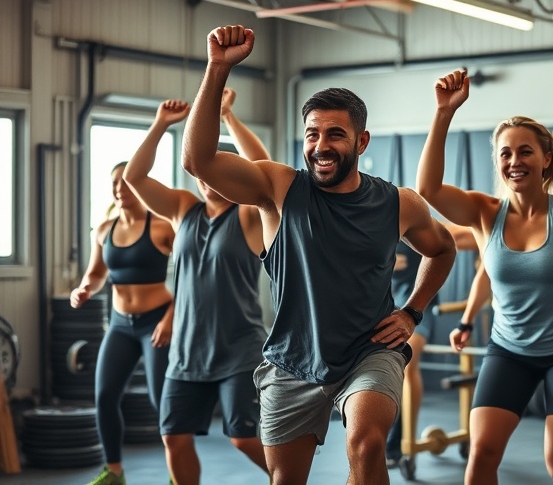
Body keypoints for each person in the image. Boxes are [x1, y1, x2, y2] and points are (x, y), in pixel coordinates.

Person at [181, 25, 457, 485]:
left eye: (335, 134)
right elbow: (199, 161)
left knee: (367, 445)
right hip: (292, 359)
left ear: (361, 142)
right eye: (312, 134)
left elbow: (443, 249)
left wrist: (412, 312)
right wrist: (217, 68)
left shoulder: (399, 203)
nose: (321, 146)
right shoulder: (278, 188)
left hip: (370, 351)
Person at [417, 69, 553, 485]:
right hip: (508, 352)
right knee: (481, 461)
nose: (514, 161)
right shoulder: (484, 212)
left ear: (546, 159)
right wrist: (443, 114)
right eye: (505, 154)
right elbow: (429, 189)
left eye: (525, 152)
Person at [122, 92, 269, 485]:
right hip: (187, 353)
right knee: (173, 436)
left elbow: (264, 167)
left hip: (238, 349)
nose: (204, 182)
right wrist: (159, 126)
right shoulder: (184, 209)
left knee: (243, 439)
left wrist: (228, 117)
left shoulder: (249, 215)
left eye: (212, 173)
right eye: (199, 174)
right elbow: (133, 178)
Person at [70, 162, 175, 485]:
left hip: (156, 322)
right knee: (105, 395)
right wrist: (84, 288)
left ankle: (177, 473)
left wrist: (171, 319)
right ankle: (114, 472)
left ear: (140, 186)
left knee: (162, 402)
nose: (120, 188)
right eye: (115, 182)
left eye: (127, 182)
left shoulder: (162, 226)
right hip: (120, 325)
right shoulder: (104, 229)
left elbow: (189, 276)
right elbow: (97, 273)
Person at [385, 225, 477, 467]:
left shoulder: (420, 225)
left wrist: (483, 266)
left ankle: (401, 443)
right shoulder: (365, 227)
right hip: (382, 307)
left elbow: (478, 236)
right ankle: (388, 439)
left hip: (416, 308)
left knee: (406, 358)